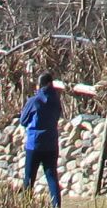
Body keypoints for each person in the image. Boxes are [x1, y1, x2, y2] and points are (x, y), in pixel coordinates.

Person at [19, 72, 63, 206]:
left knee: (29, 178)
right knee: (52, 178)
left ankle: (26, 204)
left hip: (34, 144)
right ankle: (56, 205)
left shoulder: (34, 101)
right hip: (51, 143)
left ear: (40, 85)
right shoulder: (56, 100)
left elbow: (23, 120)